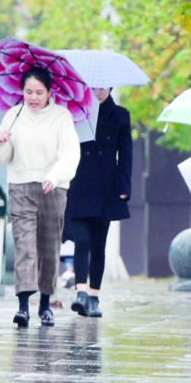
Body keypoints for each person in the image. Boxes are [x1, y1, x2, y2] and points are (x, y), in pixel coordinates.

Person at [0, 68, 80, 328]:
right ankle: (23, 307)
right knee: (24, 247)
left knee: (49, 248)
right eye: (28, 92)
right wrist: (1, 140)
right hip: (20, 187)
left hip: (53, 188)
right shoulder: (14, 115)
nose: (33, 97)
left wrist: (55, 175)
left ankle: (45, 305)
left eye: (39, 92)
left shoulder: (62, 117)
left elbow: (70, 154)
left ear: (50, 92)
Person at [65, 87, 133, 318]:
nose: (99, 91)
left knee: (98, 244)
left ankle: (94, 296)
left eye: (103, 87)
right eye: (94, 87)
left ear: (111, 88)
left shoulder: (121, 115)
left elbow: (126, 153)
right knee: (81, 239)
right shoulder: (77, 110)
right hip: (80, 180)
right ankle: (81, 292)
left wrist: (124, 187)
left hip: (107, 184)